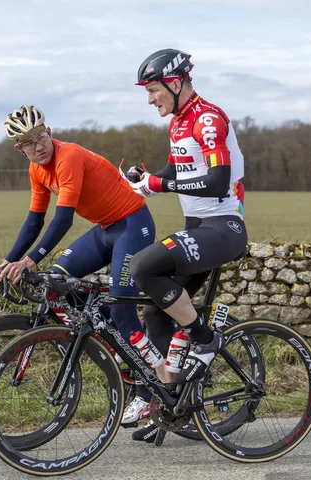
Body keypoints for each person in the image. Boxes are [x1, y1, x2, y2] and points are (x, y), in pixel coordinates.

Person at [0, 105, 156, 414]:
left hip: (132, 225)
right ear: (19, 150)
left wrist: (30, 262)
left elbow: (61, 221)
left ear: (49, 132)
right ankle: (120, 344)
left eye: (40, 137)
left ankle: (147, 392)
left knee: (122, 310)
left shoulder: (69, 156)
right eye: (29, 143)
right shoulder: (36, 169)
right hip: (105, 229)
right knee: (57, 282)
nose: (38, 147)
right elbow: (34, 221)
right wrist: (8, 262)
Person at [127, 49, 248, 442]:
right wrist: (143, 180)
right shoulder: (179, 122)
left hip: (223, 228)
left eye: (153, 90)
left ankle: (204, 337)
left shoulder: (209, 118)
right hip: (198, 228)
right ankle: (173, 406)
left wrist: (161, 185)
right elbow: (176, 171)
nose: (150, 99)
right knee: (157, 315)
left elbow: (215, 181)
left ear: (175, 83)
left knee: (145, 267)